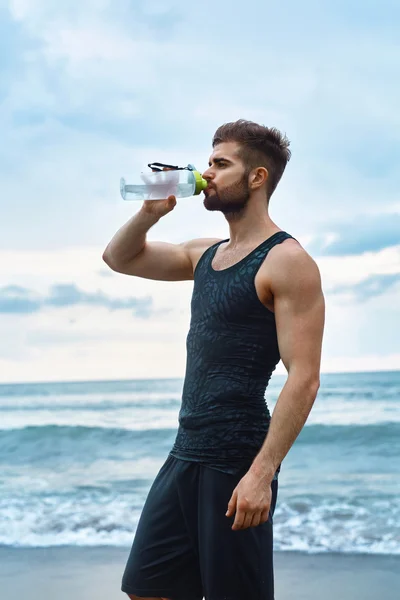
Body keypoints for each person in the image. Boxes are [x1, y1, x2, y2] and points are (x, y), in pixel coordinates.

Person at [102, 119, 325, 600]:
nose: (207, 173)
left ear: (257, 178)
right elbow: (119, 258)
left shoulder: (287, 261)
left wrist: (261, 473)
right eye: (208, 163)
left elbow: (304, 378)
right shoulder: (206, 254)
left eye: (221, 164)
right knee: (147, 589)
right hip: (185, 451)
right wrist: (149, 212)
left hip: (236, 458)